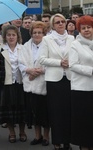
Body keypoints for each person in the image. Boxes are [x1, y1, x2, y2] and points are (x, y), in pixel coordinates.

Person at [39, 13, 74, 150]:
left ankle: (67, 141)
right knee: (56, 112)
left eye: (63, 21)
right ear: (53, 25)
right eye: (57, 22)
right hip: (54, 80)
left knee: (68, 112)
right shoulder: (47, 39)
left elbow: (76, 56)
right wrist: (59, 62)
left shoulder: (72, 38)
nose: (61, 24)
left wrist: (69, 62)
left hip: (69, 79)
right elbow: (42, 59)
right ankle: (57, 141)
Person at [0, 25, 26, 143]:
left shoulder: (23, 48)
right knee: (9, 110)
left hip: (20, 83)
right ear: (5, 36)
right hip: (6, 83)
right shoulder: (0, 48)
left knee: (22, 109)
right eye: (9, 35)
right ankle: (12, 133)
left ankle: (22, 131)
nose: (11, 37)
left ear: (17, 36)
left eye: (13, 35)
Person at [19, 21, 50, 146]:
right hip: (30, 83)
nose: (37, 35)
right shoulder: (25, 46)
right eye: (34, 32)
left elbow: (51, 63)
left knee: (46, 112)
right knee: (34, 111)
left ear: (44, 33)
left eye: (40, 32)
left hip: (44, 83)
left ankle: (46, 136)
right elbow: (20, 63)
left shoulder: (48, 45)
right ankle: (38, 136)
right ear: (31, 33)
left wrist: (39, 71)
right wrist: (29, 70)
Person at [69, 15, 93, 150]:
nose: (86, 30)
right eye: (83, 28)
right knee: (83, 121)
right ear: (79, 30)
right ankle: (83, 146)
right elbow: (73, 65)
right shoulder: (75, 44)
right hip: (81, 89)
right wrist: (91, 71)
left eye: (89, 27)